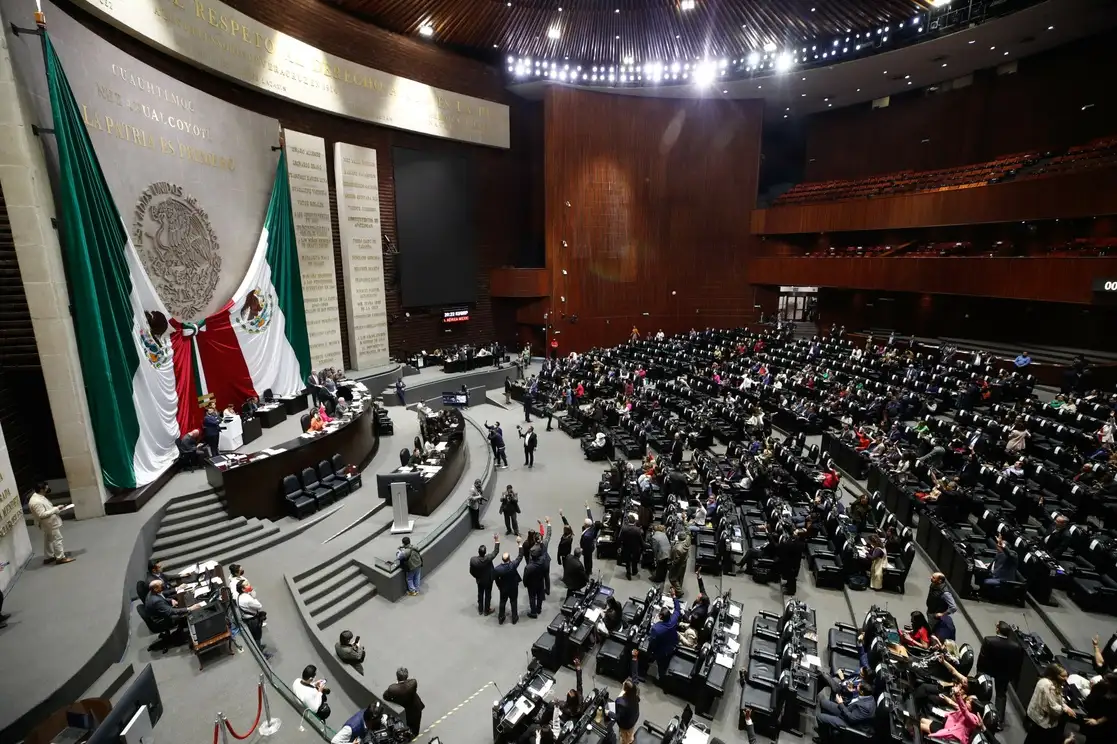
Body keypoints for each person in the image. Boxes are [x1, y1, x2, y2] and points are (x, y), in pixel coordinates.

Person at [977, 621, 1023, 725]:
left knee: (983, 690)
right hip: (1004, 673)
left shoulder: (989, 640)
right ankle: (998, 721)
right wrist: (1012, 676)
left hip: (988, 670)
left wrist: (979, 672)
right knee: (1001, 695)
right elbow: (1016, 664)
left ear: (998, 629)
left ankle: (979, 711)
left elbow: (982, 658)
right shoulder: (1015, 646)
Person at [1024, 663, 1074, 744]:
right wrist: (1064, 709)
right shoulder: (1049, 686)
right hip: (1042, 722)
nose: (1066, 678)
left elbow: (1054, 700)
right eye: (1063, 676)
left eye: (1066, 676)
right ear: (1054, 675)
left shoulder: (1043, 680)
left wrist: (1064, 705)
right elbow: (1053, 707)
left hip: (1035, 717)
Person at [28, 483, 72, 565]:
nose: (48, 488)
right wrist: (56, 509)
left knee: (48, 539)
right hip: (49, 523)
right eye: (46, 487)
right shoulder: (36, 501)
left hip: (48, 522)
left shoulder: (39, 497)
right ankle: (60, 557)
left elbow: (46, 509)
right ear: (41, 489)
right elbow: (41, 514)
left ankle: (49, 557)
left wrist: (57, 508)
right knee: (57, 538)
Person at [918, 688, 983, 743]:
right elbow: (954, 704)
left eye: (969, 702)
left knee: (920, 726)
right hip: (946, 728)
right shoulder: (965, 710)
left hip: (952, 736)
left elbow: (964, 711)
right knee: (921, 720)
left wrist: (958, 695)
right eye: (967, 700)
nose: (966, 701)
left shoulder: (974, 719)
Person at [645, 590, 681, 682]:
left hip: (663, 652)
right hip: (673, 644)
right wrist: (674, 597)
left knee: (662, 666)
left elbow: (652, 642)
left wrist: (649, 652)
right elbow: (677, 609)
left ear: (661, 617)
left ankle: (660, 680)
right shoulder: (673, 619)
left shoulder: (656, 628)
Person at [383, 667, 425, 738]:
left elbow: (385, 696)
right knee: (415, 725)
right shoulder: (413, 683)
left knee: (407, 725)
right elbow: (409, 682)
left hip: (405, 709)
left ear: (397, 676)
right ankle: (414, 735)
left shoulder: (393, 688)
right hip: (415, 707)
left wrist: (397, 684)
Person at [524, 518, 552, 618]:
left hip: (535, 573)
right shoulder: (544, 543)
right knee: (546, 578)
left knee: (532, 596)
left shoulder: (532, 549)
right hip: (545, 565)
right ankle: (546, 592)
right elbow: (548, 535)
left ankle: (533, 612)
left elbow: (528, 566)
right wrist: (548, 523)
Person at [493, 538, 525, 624]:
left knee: (502, 602)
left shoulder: (497, 569)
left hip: (503, 588)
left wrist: (500, 586)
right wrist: (519, 544)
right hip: (513, 587)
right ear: (509, 559)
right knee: (513, 602)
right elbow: (520, 556)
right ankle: (514, 618)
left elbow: (496, 579)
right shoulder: (513, 565)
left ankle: (501, 617)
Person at [1080, 672, 1117, 744]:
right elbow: (1088, 701)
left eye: (1106, 680)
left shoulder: (1113, 698)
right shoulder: (1100, 687)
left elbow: (1112, 714)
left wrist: (1098, 721)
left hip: (1105, 727)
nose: (1101, 680)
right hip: (1093, 719)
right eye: (1103, 678)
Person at [614, 650, 642, 744]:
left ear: (624, 689)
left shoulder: (620, 701)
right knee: (629, 733)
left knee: (626, 738)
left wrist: (608, 712)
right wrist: (634, 658)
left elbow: (617, 716)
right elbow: (635, 676)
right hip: (634, 716)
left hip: (626, 724)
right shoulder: (636, 691)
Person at [470, 535, 501, 616]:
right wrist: (497, 540)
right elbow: (496, 551)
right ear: (485, 552)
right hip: (488, 580)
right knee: (488, 595)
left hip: (480, 580)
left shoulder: (473, 560)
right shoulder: (488, 558)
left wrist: (476, 577)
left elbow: (471, 571)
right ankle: (487, 610)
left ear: (478, 552)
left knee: (480, 594)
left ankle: (480, 609)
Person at [927, 572, 958, 640]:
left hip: (935, 615)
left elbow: (953, 607)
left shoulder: (945, 593)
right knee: (929, 626)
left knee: (931, 631)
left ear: (940, 581)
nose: (931, 578)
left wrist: (942, 614)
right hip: (930, 610)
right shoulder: (933, 584)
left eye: (933, 578)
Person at [236, 579, 267, 647]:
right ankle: (260, 650)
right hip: (253, 620)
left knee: (254, 635)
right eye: (247, 585)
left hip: (246, 619)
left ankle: (259, 646)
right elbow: (259, 606)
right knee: (257, 635)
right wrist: (253, 597)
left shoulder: (238, 597)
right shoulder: (248, 599)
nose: (249, 585)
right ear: (243, 589)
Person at [619, 514, 644, 580]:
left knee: (627, 561)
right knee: (634, 560)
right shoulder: (638, 530)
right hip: (635, 548)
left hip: (626, 547)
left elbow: (620, 539)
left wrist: (619, 546)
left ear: (628, 521)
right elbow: (640, 540)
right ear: (634, 522)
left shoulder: (624, 528)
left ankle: (628, 573)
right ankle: (634, 571)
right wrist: (643, 547)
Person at [580, 503, 599, 575]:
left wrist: (582, 550)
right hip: (591, 546)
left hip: (587, 548)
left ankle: (587, 571)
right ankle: (589, 569)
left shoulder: (586, 536)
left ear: (586, 525)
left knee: (587, 560)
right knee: (590, 559)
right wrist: (587, 507)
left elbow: (584, 544)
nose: (583, 523)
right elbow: (590, 517)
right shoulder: (592, 526)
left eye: (584, 523)